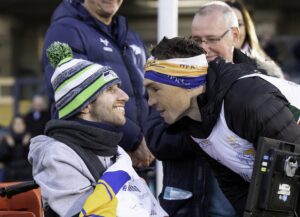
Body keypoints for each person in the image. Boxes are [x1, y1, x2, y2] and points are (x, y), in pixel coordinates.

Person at [144, 36, 300, 217]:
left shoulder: (246, 100)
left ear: (184, 81)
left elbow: (292, 168)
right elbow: (238, 189)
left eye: (155, 89)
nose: (150, 101)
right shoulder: (194, 125)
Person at [29, 42, 167, 217]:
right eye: (110, 90)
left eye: (119, 88)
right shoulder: (58, 155)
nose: (124, 96)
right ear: (85, 106)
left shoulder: (114, 149)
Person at [42, 0, 154, 167]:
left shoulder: (131, 36)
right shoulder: (65, 31)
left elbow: (150, 91)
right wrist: (134, 139)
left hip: (136, 158)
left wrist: (151, 136)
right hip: (93, 160)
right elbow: (77, 97)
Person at [191, 1, 282, 78]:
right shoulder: (188, 72)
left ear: (235, 34)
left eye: (212, 39)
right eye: (197, 40)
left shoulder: (265, 73)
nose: (204, 48)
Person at [225, 0, 284, 79]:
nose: (234, 31)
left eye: (239, 24)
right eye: (227, 24)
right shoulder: (205, 67)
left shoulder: (269, 71)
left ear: (247, 28)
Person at [0, 115, 32, 181]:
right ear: (12, 125)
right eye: (16, 124)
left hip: (27, 177)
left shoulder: (31, 139)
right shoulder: (7, 139)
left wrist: (26, 145)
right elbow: (1, 157)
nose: (18, 126)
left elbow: (34, 159)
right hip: (10, 177)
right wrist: (9, 146)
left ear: (25, 125)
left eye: (21, 123)